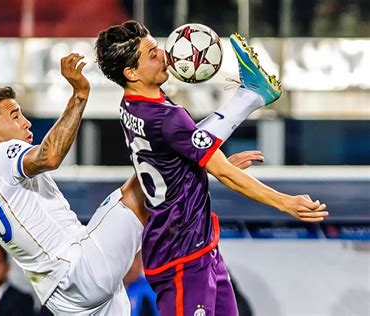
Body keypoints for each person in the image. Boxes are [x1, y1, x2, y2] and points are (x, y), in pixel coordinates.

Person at [0, 52, 268, 314]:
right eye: (14, 115)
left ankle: (204, 155)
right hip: (77, 268)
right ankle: (249, 97)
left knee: (160, 176)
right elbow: (50, 156)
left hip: (63, 301)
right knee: (152, 169)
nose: (25, 121)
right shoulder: (2, 154)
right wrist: (80, 94)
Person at [95, 20, 328, 315]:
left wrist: (207, 163)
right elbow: (223, 172)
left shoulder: (132, 106)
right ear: (131, 73)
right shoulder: (166, 117)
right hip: (180, 255)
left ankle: (252, 94)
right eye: (152, 54)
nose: (164, 55)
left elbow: (170, 157)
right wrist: (285, 202)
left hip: (200, 247)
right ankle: (252, 95)